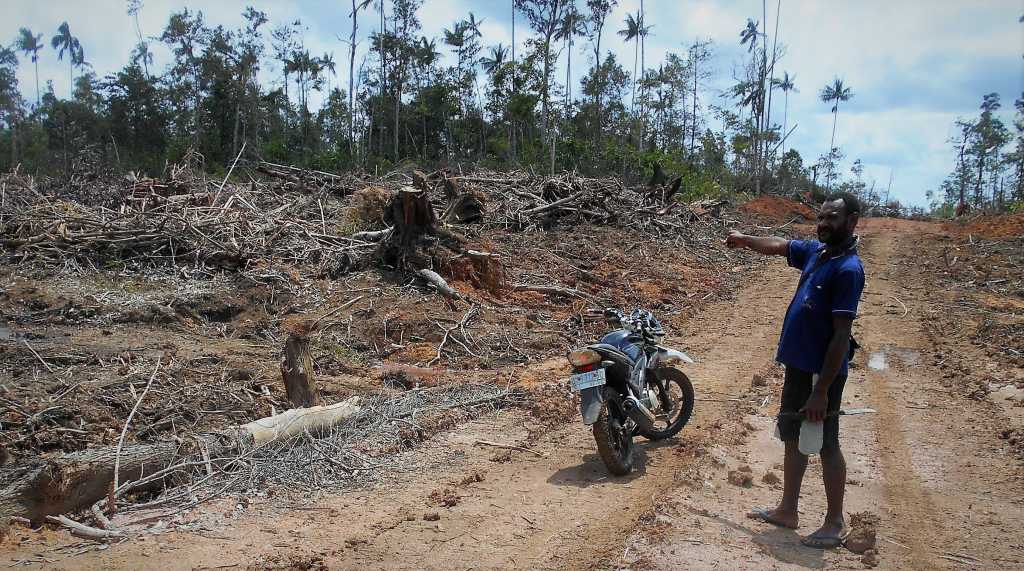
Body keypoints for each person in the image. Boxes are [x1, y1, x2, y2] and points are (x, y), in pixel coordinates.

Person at [724, 193, 865, 549]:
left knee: (825, 442)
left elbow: (840, 335)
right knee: (793, 435)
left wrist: (822, 390)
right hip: (798, 368)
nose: (823, 224)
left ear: (851, 221)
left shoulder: (848, 269)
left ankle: (834, 522)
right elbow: (780, 246)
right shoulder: (818, 253)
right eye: (821, 217)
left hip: (822, 376)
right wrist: (744, 240)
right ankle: (788, 509)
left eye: (832, 218)